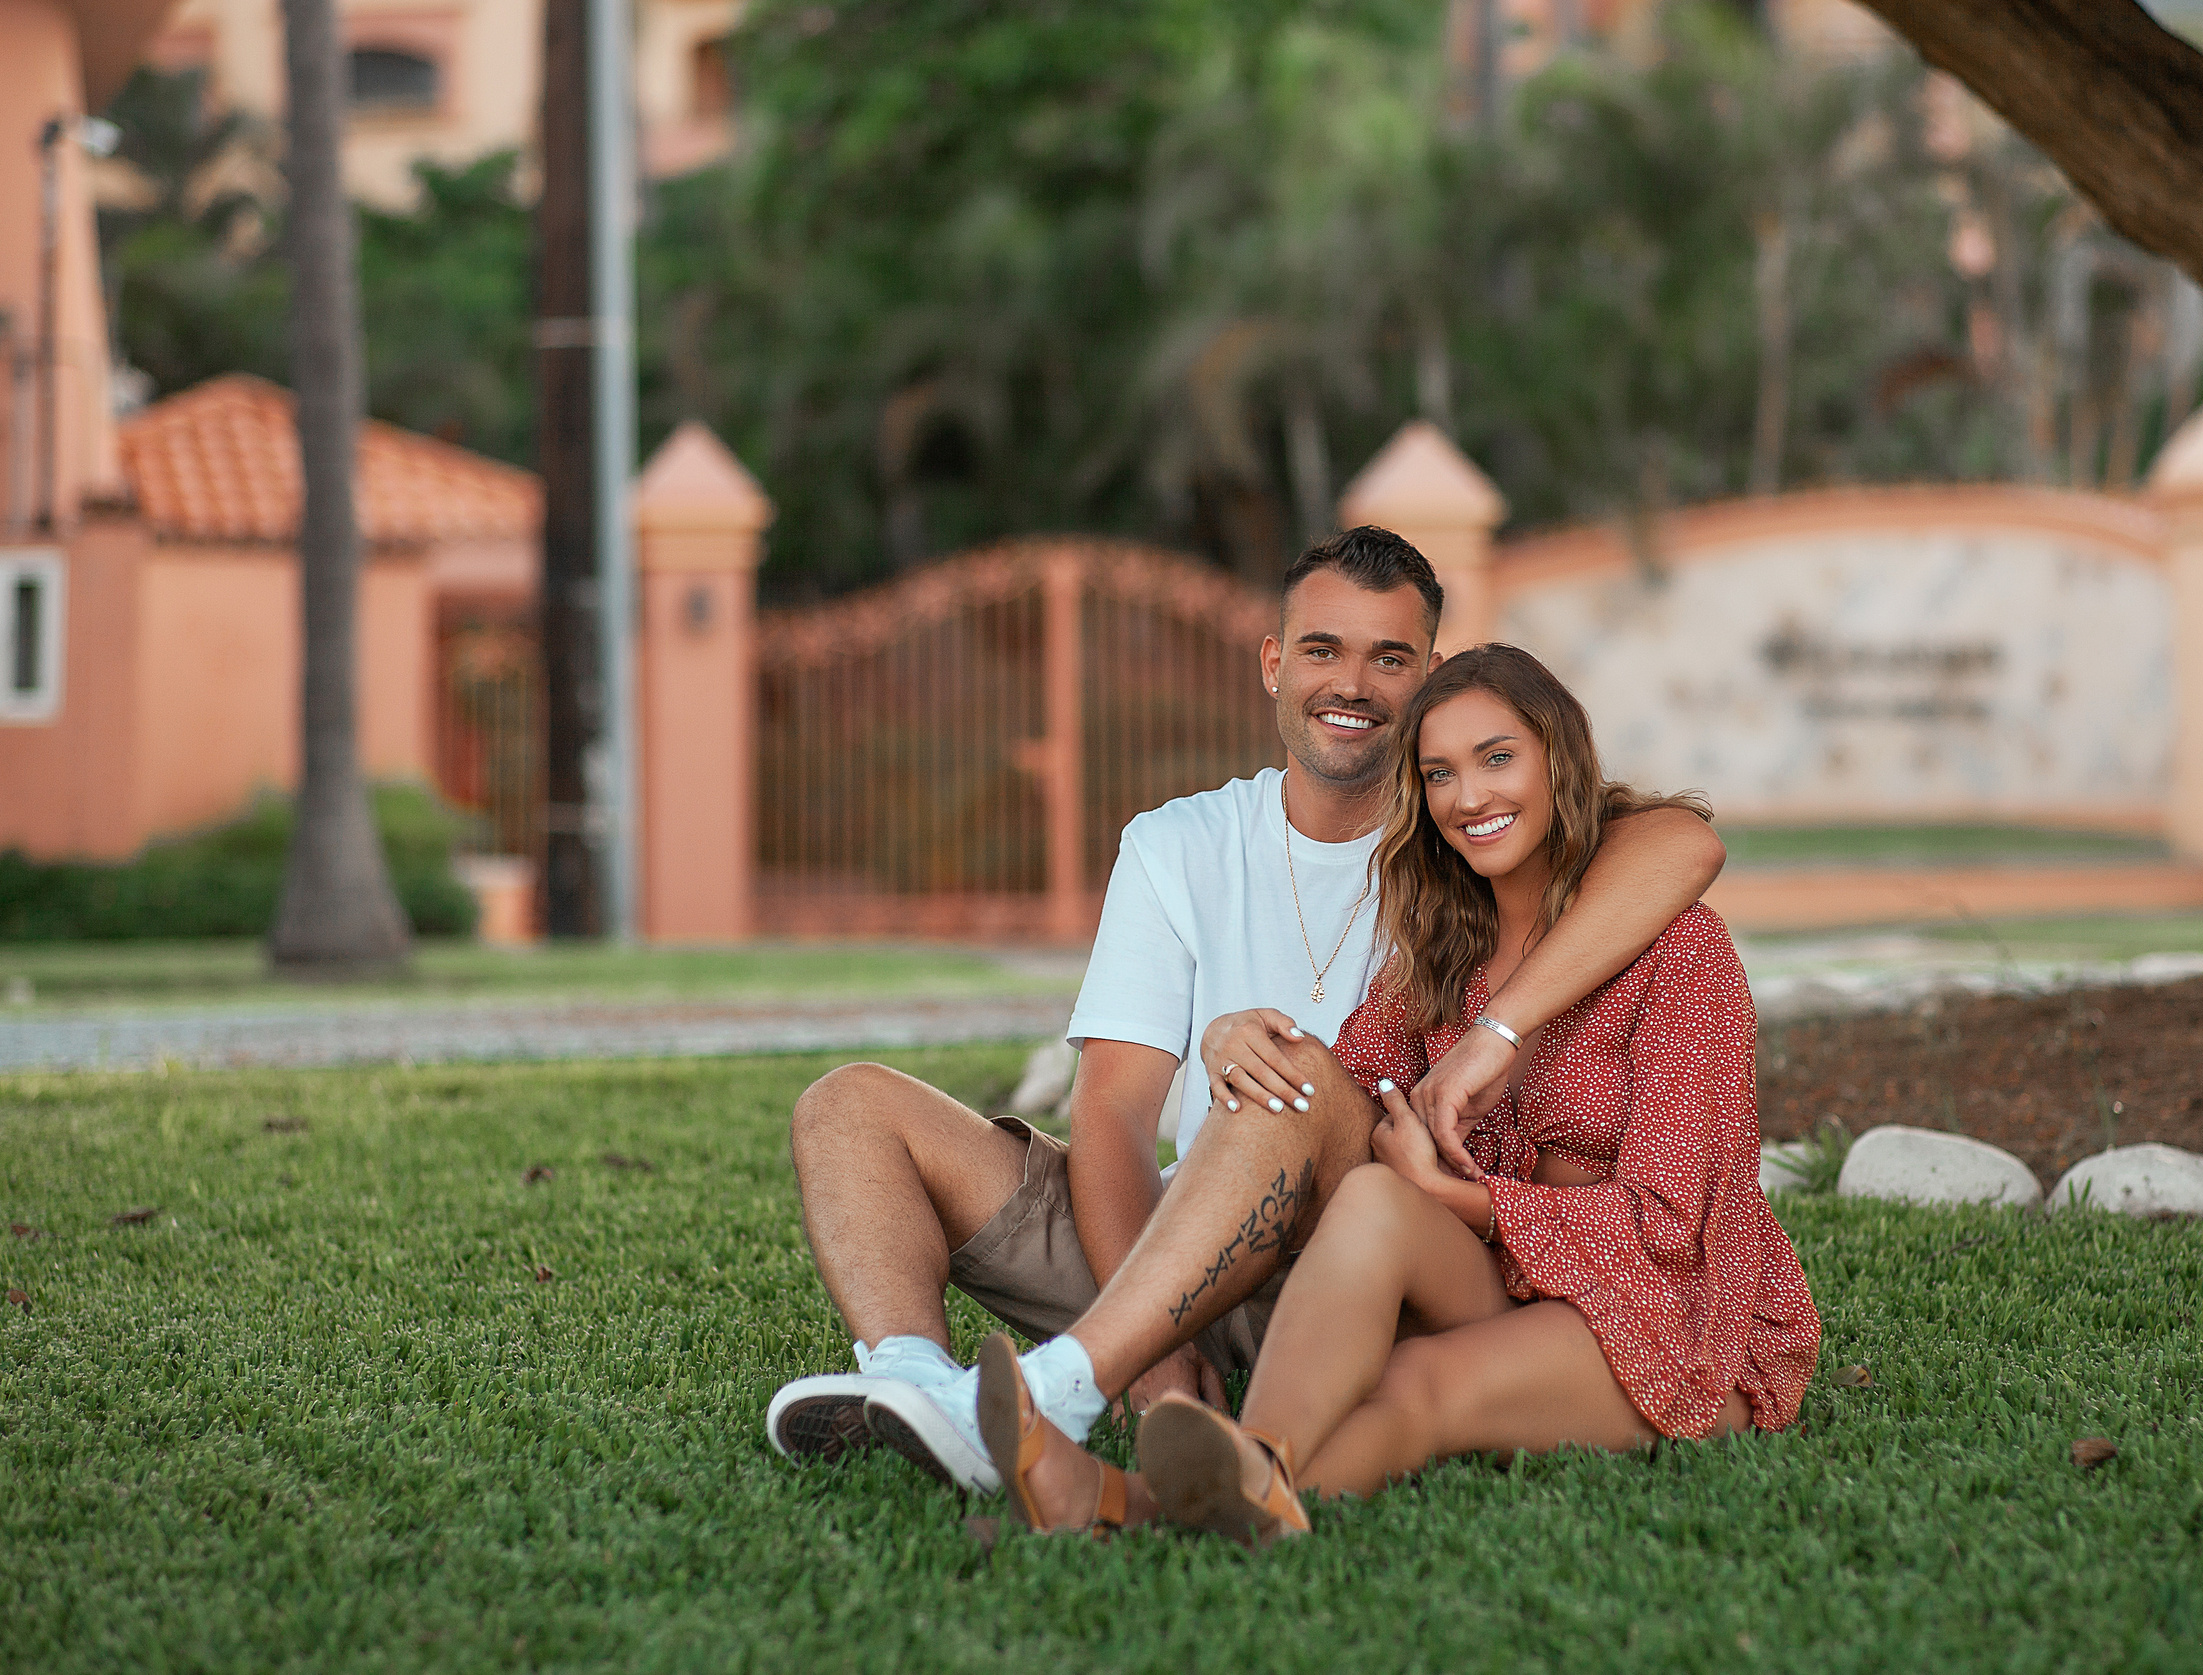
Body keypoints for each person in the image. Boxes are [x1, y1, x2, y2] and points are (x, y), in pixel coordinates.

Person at [767, 529, 1728, 1525]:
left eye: (1389, 659)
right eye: (1322, 649)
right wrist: (1159, 1362)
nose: (1351, 683)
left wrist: (1492, 1035)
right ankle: (917, 1388)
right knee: (849, 1107)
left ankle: (1067, 1385)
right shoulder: (1182, 843)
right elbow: (1112, 1120)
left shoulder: (1458, 854)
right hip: (1178, 1235)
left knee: (1292, 1080)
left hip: (1366, 1255)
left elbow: (1678, 844)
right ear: (1275, 663)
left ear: (1430, 680)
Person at [1097, 644, 1819, 1544]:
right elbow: (1336, 1101)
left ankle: (1147, 1506)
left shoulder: (1681, 952)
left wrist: (1456, 1199)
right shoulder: (1442, 960)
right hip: (1518, 1284)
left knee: (1415, 1385)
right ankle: (1232, 1487)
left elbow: (1670, 1224)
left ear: (1561, 755)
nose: (1469, 796)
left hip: (1672, 1312)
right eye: (1439, 774)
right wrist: (1232, 1036)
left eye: (1498, 757)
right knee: (1369, 1196)